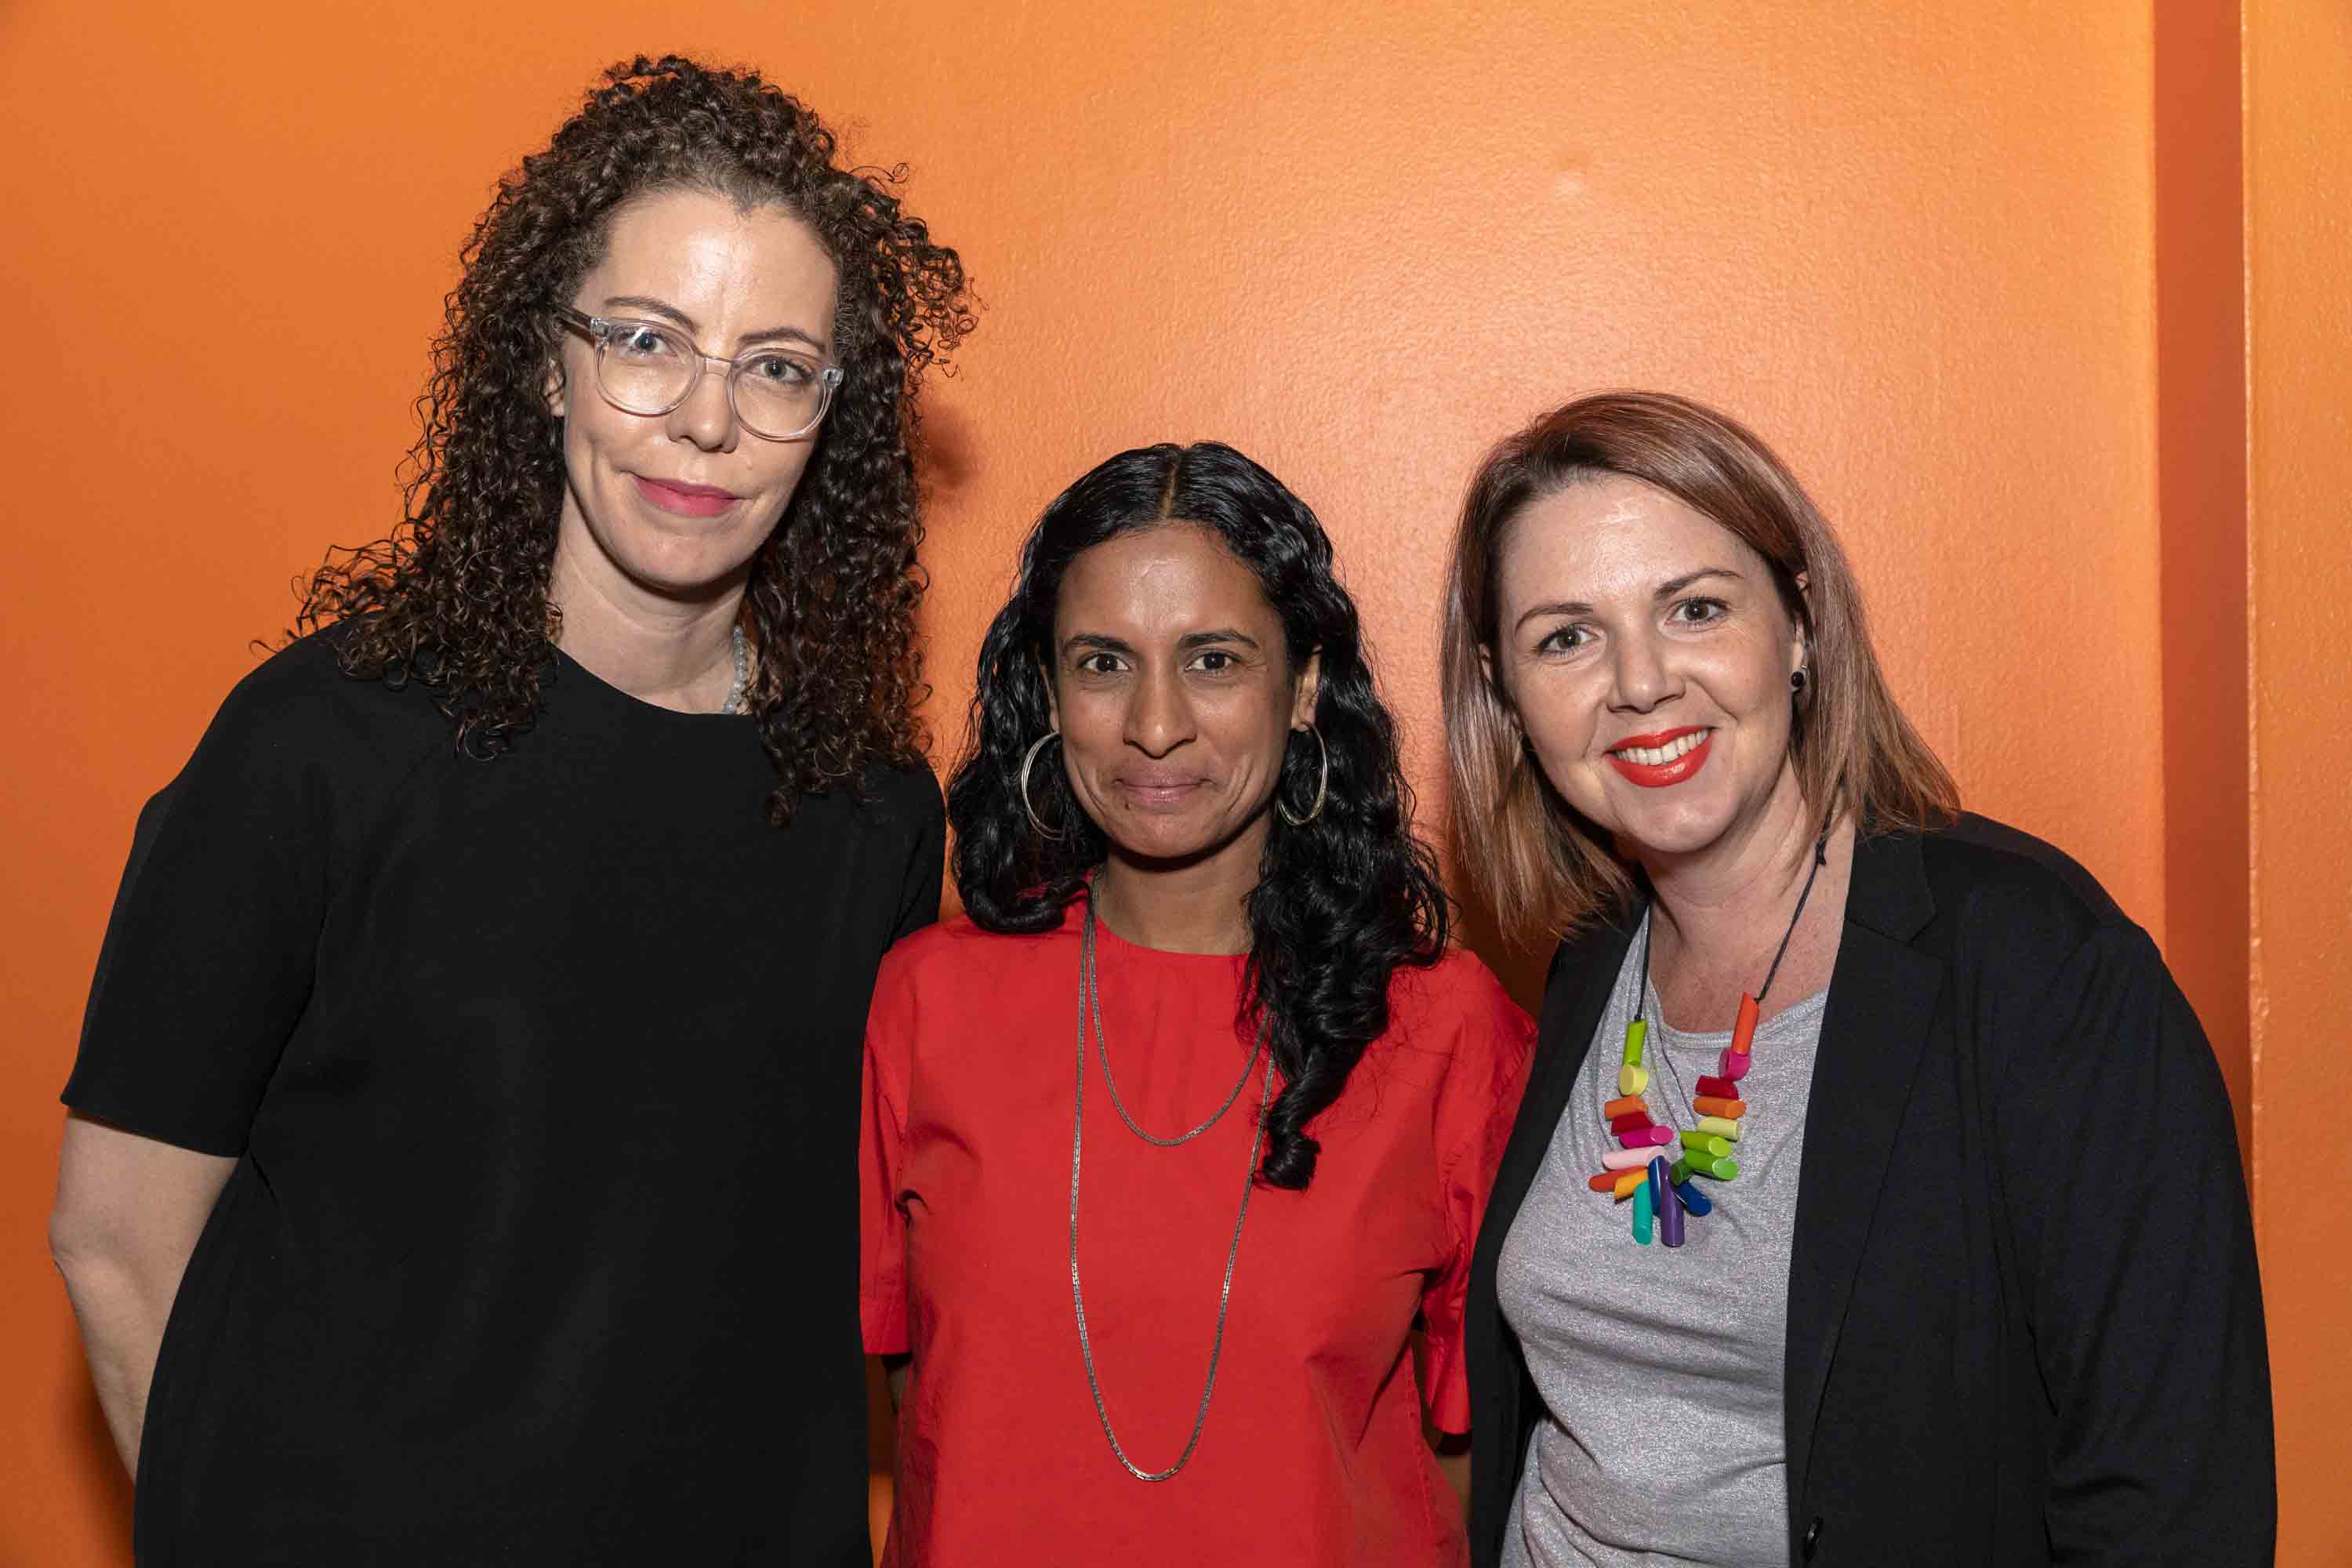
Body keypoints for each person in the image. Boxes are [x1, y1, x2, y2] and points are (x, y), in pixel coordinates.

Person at [47, 56, 970, 1566]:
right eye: (647, 341)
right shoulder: (320, 747)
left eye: (776, 366)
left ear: (830, 417)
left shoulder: (870, 810)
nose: (706, 420)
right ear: (548, 363)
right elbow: (114, 1240)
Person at [1441, 392, 2273, 1566]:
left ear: (1800, 628)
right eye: (1566, 637)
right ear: (1505, 691)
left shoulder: (2037, 966)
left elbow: (2174, 1497)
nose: (1640, 682)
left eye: (1694, 608)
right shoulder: (1593, 957)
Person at [860, 442, 1532, 1565]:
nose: (1156, 724)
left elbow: (1478, 1459)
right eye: (1102, 662)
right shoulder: (928, 1000)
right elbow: (929, 1409)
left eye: (1214, 660)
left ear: (1303, 685)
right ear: (1049, 689)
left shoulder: (1444, 1029)